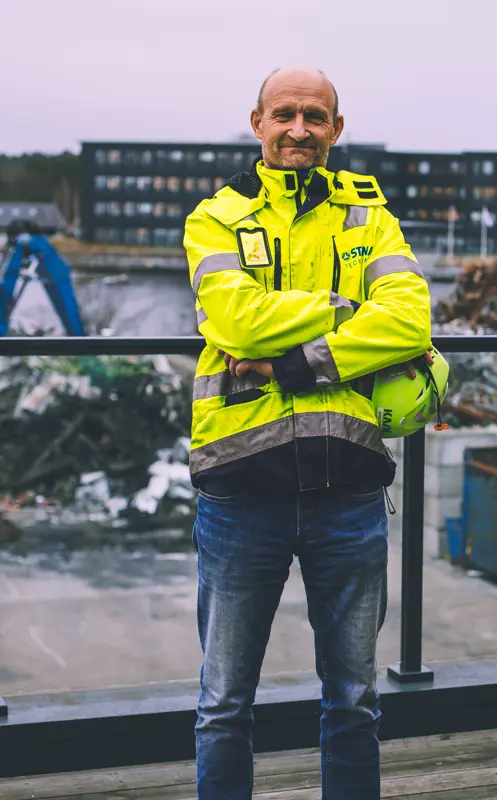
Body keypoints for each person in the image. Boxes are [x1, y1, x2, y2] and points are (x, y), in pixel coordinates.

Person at [183, 65, 432, 798]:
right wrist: (349, 309)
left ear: (337, 129)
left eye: (315, 117)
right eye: (285, 114)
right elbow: (233, 320)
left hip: (348, 494)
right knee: (224, 705)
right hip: (239, 492)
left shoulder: (370, 217)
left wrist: (296, 365)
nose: (300, 130)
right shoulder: (215, 217)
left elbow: (412, 320)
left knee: (354, 700)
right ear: (257, 122)